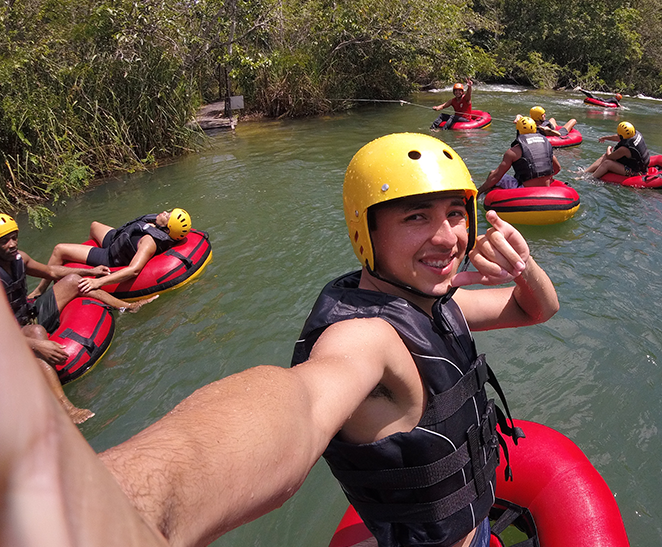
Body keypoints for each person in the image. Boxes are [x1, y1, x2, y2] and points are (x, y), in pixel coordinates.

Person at [0, 133, 559, 547]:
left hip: (472, 524)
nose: (448, 237)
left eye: (457, 214)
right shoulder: (363, 338)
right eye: (417, 217)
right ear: (367, 232)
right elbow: (298, 403)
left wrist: (523, 263)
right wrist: (113, 506)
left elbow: (537, 309)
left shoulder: (439, 301)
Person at [0, 214, 156, 424]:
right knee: (37, 333)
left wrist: (89, 270)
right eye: (4, 241)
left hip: (27, 315)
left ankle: (129, 307)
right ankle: (66, 408)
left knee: (74, 281)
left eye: (13, 237)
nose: (12, 244)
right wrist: (38, 345)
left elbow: (52, 270)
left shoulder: (21, 258)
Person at [31, 208, 192, 297]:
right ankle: (84, 255)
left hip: (110, 256)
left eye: (168, 216)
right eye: (168, 211)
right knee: (94, 225)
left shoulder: (149, 242)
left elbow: (134, 270)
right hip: (117, 239)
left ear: (167, 228)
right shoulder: (156, 225)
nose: (164, 212)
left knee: (59, 250)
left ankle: (39, 291)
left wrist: (97, 282)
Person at [480, 116, 561, 193]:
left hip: (524, 191)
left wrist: (479, 191)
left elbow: (496, 176)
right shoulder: (546, 145)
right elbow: (557, 168)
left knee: (492, 173)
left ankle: (481, 198)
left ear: (518, 131)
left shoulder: (512, 152)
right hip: (545, 188)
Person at [585, 121, 650, 179]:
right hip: (638, 164)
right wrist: (605, 138)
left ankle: (590, 178)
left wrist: (608, 148)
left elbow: (609, 156)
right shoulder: (634, 134)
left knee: (607, 163)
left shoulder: (625, 149)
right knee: (604, 157)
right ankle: (585, 172)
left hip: (637, 172)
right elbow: (617, 137)